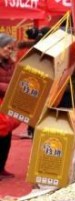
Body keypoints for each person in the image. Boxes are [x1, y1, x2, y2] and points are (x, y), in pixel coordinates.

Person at [0, 33, 20, 180]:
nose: (10, 50)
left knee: (7, 138)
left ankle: (2, 168)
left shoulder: (10, 62)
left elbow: (16, 78)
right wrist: (8, 87)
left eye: (12, 48)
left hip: (6, 103)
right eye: (8, 47)